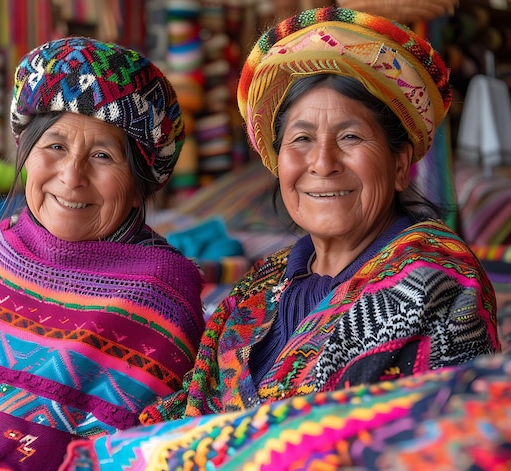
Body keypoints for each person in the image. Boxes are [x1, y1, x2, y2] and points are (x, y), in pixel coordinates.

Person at [137, 5, 500, 424]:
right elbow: (187, 411)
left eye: (350, 136)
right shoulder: (259, 287)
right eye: (302, 138)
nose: (323, 163)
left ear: (400, 165)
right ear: (278, 162)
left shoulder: (437, 283)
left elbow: (441, 440)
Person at [0, 37, 205, 470]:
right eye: (55, 146)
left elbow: (133, 452)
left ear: (138, 186)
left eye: (103, 155)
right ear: (26, 153)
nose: (72, 176)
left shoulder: (160, 297)